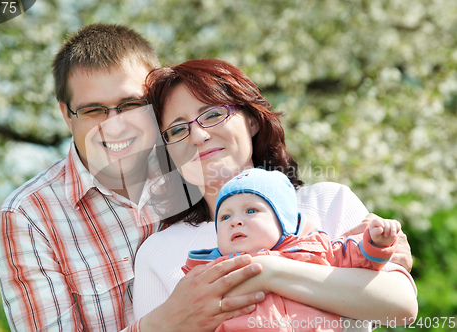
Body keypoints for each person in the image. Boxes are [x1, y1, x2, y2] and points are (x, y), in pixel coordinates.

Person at [0, 24, 269, 332]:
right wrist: (166, 323)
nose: (115, 126)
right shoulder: (29, 216)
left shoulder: (193, 161)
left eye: (131, 105)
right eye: (93, 111)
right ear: (66, 115)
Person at [133, 58, 418, 330]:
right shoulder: (159, 252)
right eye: (178, 129)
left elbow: (400, 305)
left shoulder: (328, 202)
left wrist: (268, 270)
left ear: (252, 121)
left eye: (213, 114)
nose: (198, 136)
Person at [182, 168, 400, 331]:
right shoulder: (211, 271)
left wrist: (377, 243)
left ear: (282, 221)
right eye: (225, 216)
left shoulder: (312, 249)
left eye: (250, 210)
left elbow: (357, 259)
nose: (235, 221)